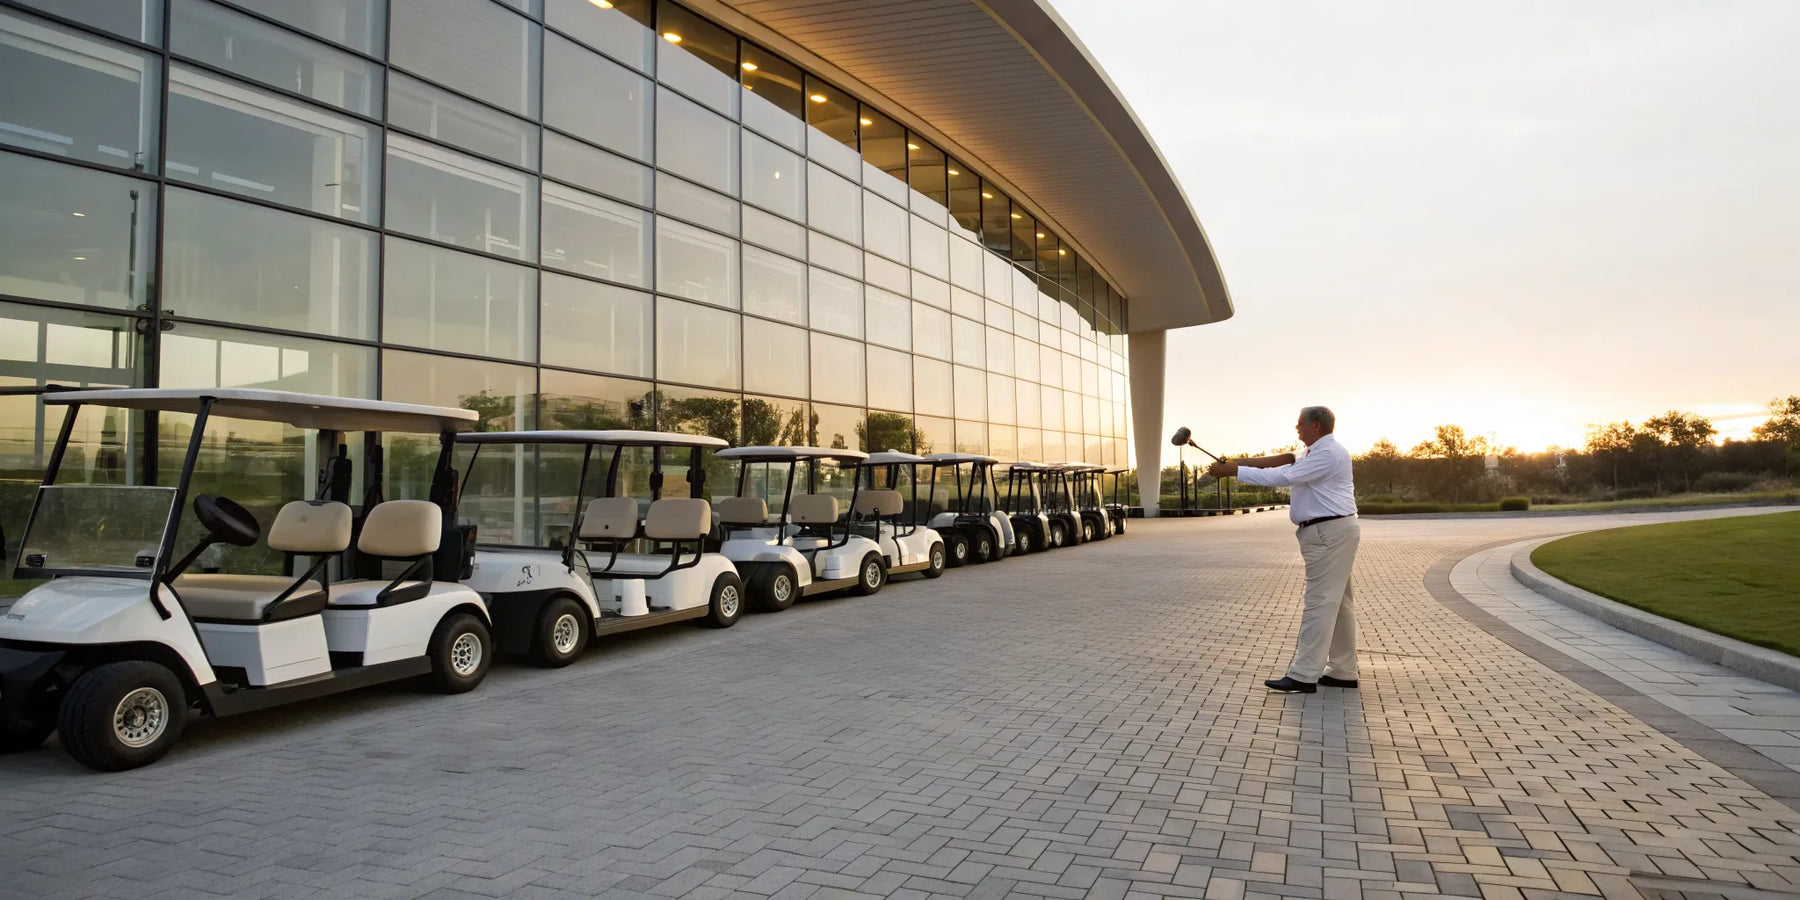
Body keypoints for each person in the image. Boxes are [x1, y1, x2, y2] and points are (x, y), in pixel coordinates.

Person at [1206, 406, 1360, 694]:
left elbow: (1282, 476)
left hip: (1328, 533)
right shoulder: (1315, 452)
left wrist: (1235, 471)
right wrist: (1236, 461)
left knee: (1320, 602)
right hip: (1334, 531)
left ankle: (1304, 674)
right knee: (1339, 603)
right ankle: (1342, 670)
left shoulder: (1326, 454)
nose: (1296, 427)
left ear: (1316, 426)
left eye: (1300, 423)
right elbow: (1283, 459)